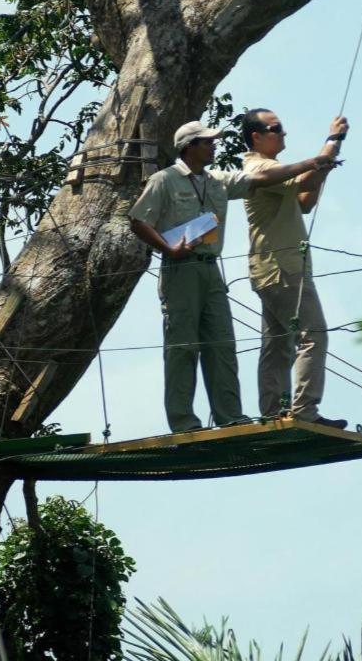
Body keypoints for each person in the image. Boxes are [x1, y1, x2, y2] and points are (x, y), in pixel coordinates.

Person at [128, 120, 339, 433]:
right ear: (190, 146)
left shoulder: (217, 181)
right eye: (208, 142)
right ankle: (184, 422)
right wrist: (167, 249)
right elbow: (138, 220)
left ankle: (230, 417)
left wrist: (311, 165)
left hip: (211, 268)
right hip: (180, 269)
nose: (214, 146)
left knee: (222, 344)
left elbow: (261, 177)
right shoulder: (165, 180)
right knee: (183, 346)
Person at [240, 109, 349, 430]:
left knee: (278, 344)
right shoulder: (259, 167)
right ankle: (304, 411)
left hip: (271, 268)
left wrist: (323, 168)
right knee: (313, 335)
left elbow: (304, 200)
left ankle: (274, 411)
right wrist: (333, 141)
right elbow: (304, 179)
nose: (283, 133)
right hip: (282, 268)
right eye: (276, 128)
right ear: (256, 136)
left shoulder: (273, 169)